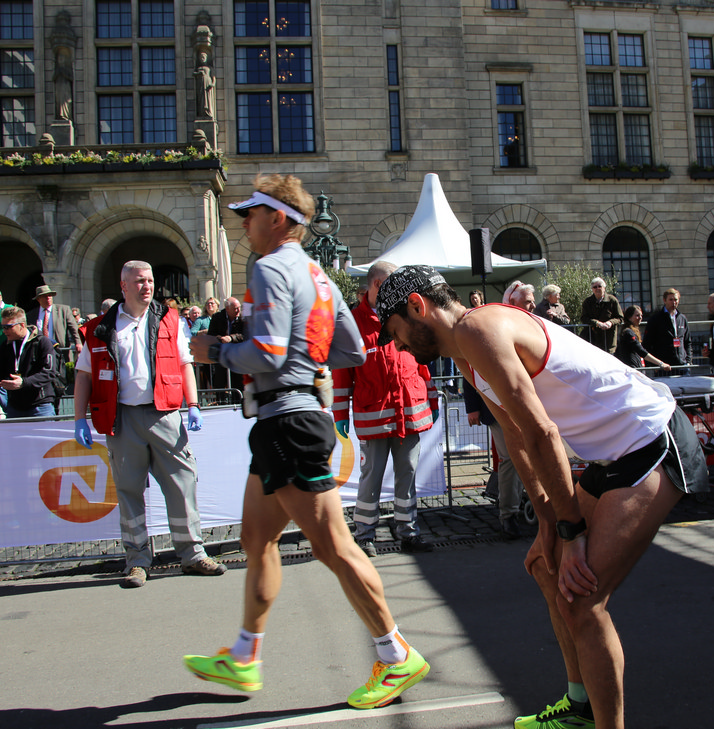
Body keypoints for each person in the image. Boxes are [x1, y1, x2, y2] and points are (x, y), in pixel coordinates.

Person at [375, 264, 709, 729]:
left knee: (582, 601)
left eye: (395, 332)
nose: (398, 346)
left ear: (417, 307)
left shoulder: (478, 329)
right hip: (614, 455)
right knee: (545, 566)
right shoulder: (465, 350)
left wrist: (572, 532)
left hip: (652, 439)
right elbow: (514, 434)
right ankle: (580, 708)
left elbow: (543, 432)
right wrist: (549, 522)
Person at [183, 175, 429, 708]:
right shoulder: (318, 275)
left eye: (250, 214)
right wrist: (302, 362)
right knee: (256, 538)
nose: (243, 223)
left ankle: (395, 655)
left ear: (278, 219)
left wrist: (215, 351)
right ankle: (244, 656)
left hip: (289, 424)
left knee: (333, 546)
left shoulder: (270, 267)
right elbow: (351, 351)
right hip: (284, 421)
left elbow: (268, 353)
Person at [73, 261, 225, 588]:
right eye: (140, 281)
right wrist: (78, 419)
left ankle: (192, 554)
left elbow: (184, 364)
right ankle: (137, 561)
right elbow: (84, 375)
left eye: (151, 280)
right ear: (123, 286)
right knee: (129, 491)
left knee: (182, 484)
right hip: (122, 418)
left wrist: (193, 404)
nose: (147, 286)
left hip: (164, 413)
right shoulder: (101, 327)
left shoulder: (170, 319)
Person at [332, 261, 438, 557]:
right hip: (375, 417)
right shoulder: (353, 323)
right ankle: (364, 535)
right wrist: (339, 414)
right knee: (371, 478)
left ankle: (409, 533)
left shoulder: (403, 314)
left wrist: (431, 399)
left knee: (408, 475)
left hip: (409, 412)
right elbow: (341, 374)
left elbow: (420, 362)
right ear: (378, 284)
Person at [464, 379, 524, 539]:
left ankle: (515, 510)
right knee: (511, 459)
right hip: (497, 407)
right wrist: (472, 407)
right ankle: (509, 514)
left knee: (522, 459)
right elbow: (469, 373)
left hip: (523, 403)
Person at [0, 307, 60, 418]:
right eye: (3, 327)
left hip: (40, 405)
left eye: (8, 327)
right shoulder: (6, 345)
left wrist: (24, 382)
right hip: (14, 407)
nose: (4, 331)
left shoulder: (42, 342)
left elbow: (49, 372)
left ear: (22, 325)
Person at [26, 284, 81, 363]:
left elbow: (74, 329)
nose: (48, 298)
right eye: (45, 296)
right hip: (39, 351)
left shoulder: (63, 310)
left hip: (60, 350)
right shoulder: (31, 315)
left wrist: (78, 343)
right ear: (38, 299)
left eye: (50, 295)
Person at [643, 288, 691, 373]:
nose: (674, 302)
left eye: (675, 300)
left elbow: (687, 342)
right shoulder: (656, 319)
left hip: (682, 365)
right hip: (664, 366)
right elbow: (647, 344)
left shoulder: (682, 318)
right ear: (664, 300)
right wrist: (654, 364)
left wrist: (688, 360)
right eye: (671, 300)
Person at [208, 297, 246, 402]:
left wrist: (232, 338)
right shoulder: (217, 317)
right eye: (235, 308)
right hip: (222, 355)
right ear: (227, 309)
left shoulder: (243, 318)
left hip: (238, 356)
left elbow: (246, 335)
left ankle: (238, 402)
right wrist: (221, 339)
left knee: (238, 383)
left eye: (239, 308)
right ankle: (221, 402)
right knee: (219, 381)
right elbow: (211, 335)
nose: (238, 310)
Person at [614, 305, 669, 373]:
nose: (640, 318)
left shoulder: (632, 331)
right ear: (629, 317)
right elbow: (641, 351)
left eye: (641, 315)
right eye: (637, 315)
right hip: (632, 371)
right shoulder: (628, 333)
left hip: (637, 369)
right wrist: (660, 363)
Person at [580, 277, 623, 353]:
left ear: (604, 288)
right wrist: (597, 323)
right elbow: (584, 318)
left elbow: (620, 318)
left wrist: (610, 322)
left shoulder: (612, 300)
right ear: (592, 289)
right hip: (593, 339)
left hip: (609, 340)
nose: (597, 289)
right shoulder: (588, 302)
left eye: (599, 286)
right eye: (595, 287)